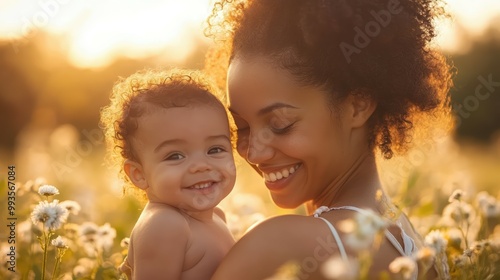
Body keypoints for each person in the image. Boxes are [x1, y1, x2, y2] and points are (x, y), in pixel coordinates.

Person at [204, 0, 453, 279]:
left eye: (280, 124)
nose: (254, 153)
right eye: (241, 127)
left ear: (357, 106)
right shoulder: (413, 243)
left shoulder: (278, 246)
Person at [100, 69, 236, 279]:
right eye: (175, 156)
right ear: (139, 174)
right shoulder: (165, 225)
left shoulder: (217, 217)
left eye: (215, 150)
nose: (201, 166)